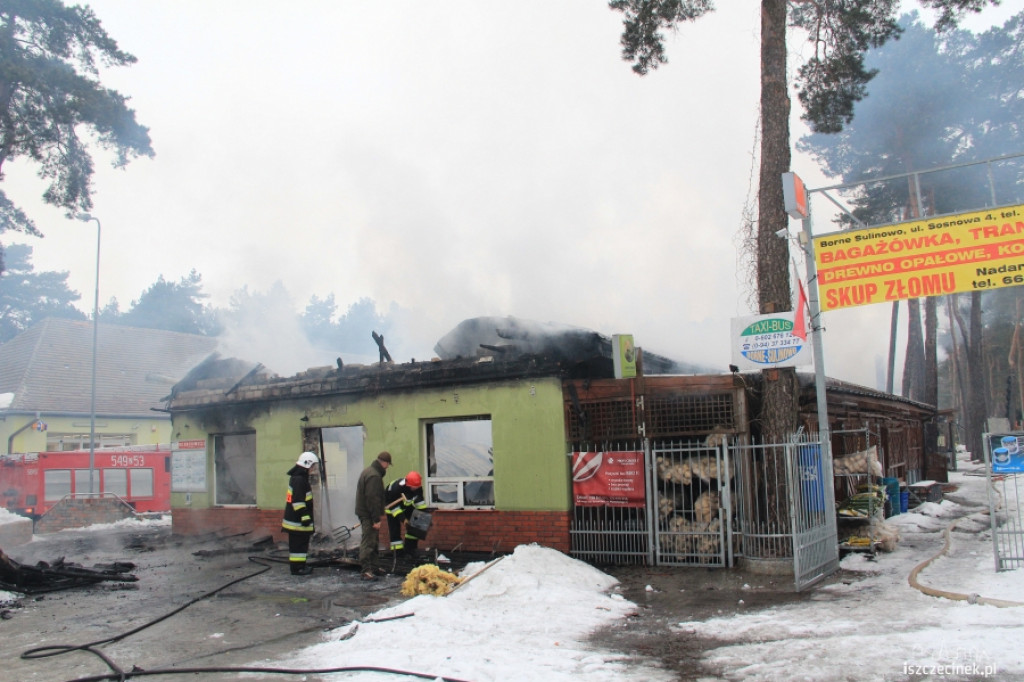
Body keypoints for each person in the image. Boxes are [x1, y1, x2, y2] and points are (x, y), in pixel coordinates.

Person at [355, 451, 391, 580]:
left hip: (366, 512)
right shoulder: (374, 476)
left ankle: (374, 567)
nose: (387, 467)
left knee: (374, 541)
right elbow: (372, 499)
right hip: (369, 514)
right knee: (368, 541)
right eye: (387, 464)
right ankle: (365, 570)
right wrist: (376, 519)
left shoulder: (368, 471)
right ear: (384, 463)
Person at [281, 451, 319, 576]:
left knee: (300, 547)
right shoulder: (299, 480)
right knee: (298, 547)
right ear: (307, 464)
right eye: (313, 465)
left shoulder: (299, 478)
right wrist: (305, 517)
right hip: (297, 523)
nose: (313, 468)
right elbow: (298, 502)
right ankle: (297, 569)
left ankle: (300, 566)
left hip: (297, 522)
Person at [384, 471, 427, 555]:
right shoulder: (396, 489)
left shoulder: (418, 487)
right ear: (408, 484)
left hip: (406, 506)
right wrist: (404, 520)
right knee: (395, 529)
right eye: (413, 487)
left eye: (416, 487)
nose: (415, 489)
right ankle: (397, 552)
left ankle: (410, 548)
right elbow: (394, 507)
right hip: (392, 507)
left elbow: (420, 503)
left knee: (417, 524)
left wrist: (422, 517)